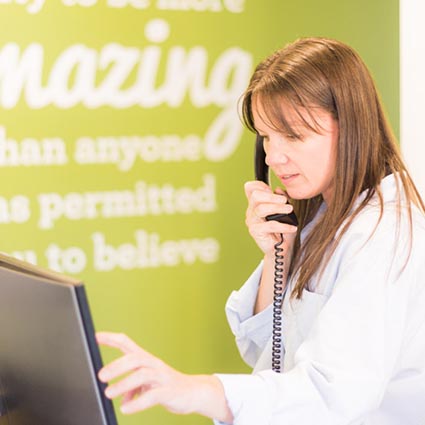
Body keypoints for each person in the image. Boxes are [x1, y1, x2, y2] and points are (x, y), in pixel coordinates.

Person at [96, 37, 425, 425]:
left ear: (351, 127)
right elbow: (268, 353)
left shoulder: (384, 234)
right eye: (267, 137)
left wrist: (195, 390)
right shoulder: (325, 215)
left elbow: (331, 394)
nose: (273, 157)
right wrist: (277, 254)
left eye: (294, 136)